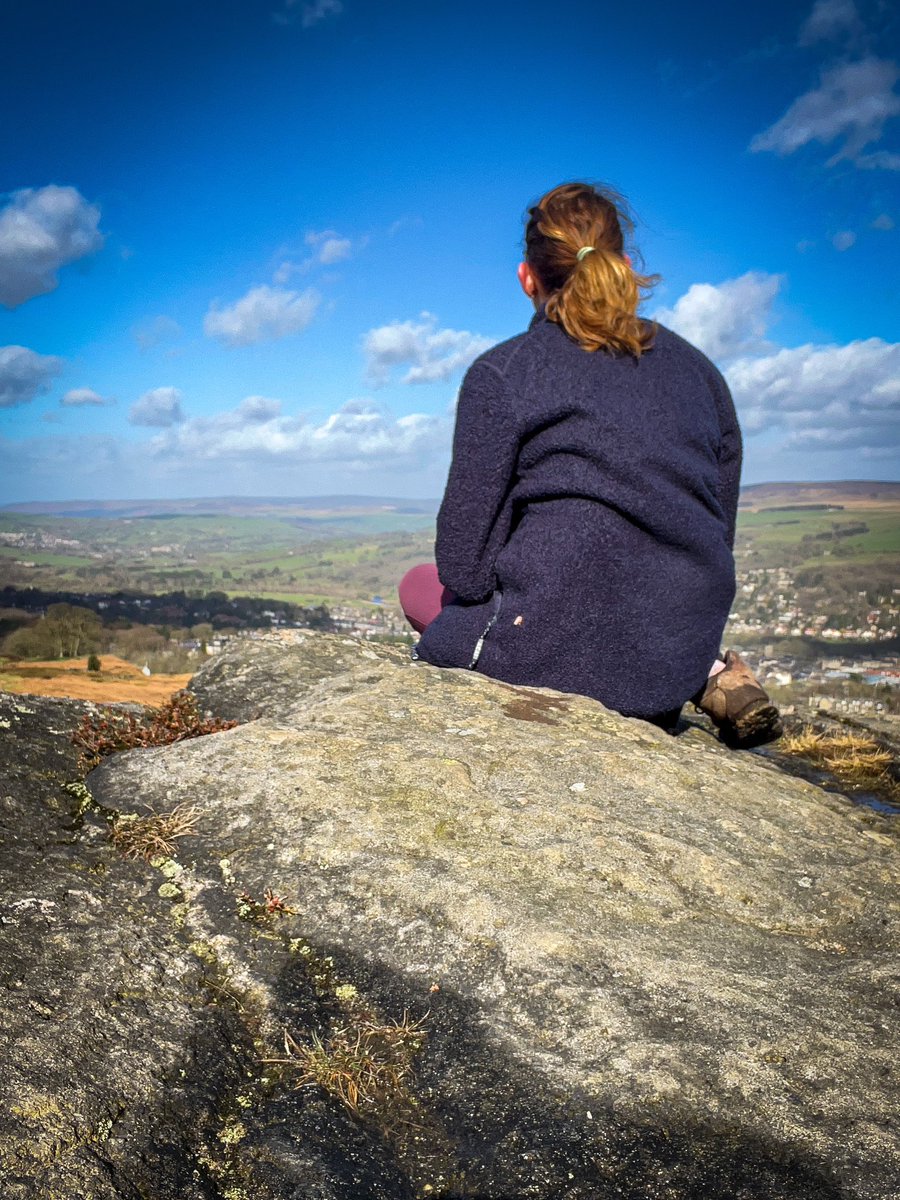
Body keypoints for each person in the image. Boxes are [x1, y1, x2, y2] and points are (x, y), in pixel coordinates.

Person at [400, 182, 781, 749]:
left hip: (545, 654)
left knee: (417, 586)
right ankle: (709, 675)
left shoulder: (506, 371)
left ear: (527, 277)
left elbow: (464, 565)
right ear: (623, 266)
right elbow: (715, 531)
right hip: (670, 656)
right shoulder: (701, 373)